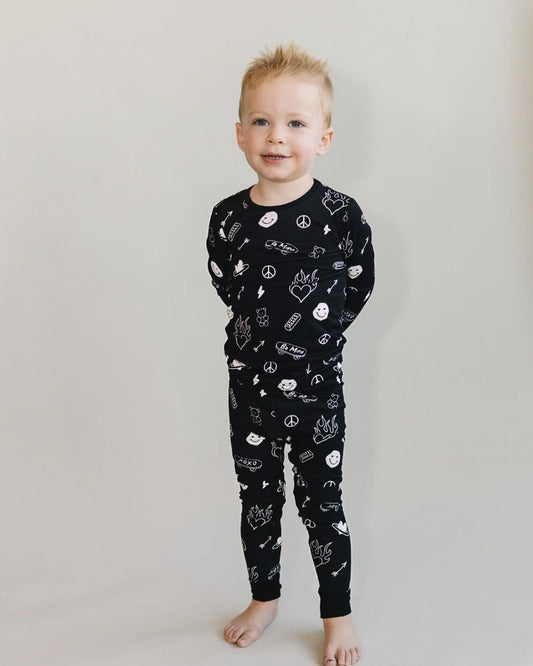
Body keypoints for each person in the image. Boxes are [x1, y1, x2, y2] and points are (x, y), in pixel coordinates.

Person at [206, 43, 375, 666]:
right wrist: (264, 340)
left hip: (315, 392)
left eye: (296, 124)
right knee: (258, 500)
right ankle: (264, 597)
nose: (276, 136)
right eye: (261, 121)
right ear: (240, 132)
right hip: (248, 389)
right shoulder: (227, 219)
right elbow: (227, 282)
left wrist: (319, 338)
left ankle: (337, 614)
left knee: (321, 504)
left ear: (324, 139)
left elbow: (359, 280)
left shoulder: (339, 216)